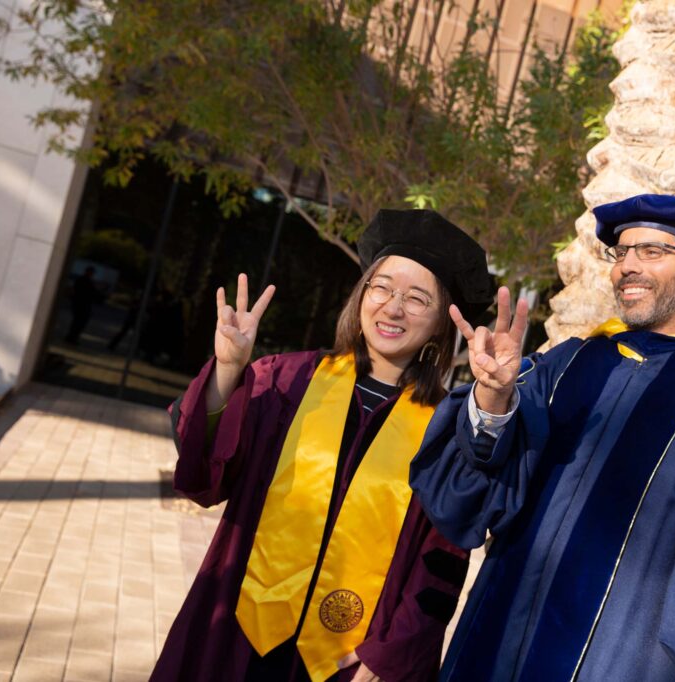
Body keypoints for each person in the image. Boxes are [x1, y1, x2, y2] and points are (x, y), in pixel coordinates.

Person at [411, 193, 675, 681]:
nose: (628, 266)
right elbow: (482, 481)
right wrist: (493, 397)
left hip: (621, 660)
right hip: (495, 639)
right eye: (621, 252)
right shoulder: (571, 362)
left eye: (651, 252)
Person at [152, 209, 496, 682]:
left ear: (440, 325)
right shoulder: (285, 381)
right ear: (361, 297)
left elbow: (442, 561)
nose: (393, 308)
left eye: (417, 299)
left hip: (348, 661)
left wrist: (389, 658)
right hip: (235, 631)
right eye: (382, 288)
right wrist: (229, 369)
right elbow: (204, 477)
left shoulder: (445, 431)